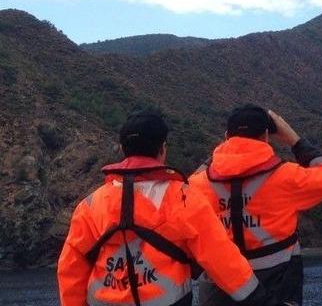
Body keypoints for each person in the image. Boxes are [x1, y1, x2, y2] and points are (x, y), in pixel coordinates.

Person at [57, 111, 277, 306]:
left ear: (123, 149)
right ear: (163, 149)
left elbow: (71, 269)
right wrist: (260, 299)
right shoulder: (183, 198)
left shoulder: (90, 205)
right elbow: (222, 259)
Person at [189, 104, 322, 306]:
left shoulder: (197, 185)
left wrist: (226, 152)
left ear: (227, 136)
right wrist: (295, 141)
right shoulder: (286, 177)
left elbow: (186, 187)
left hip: (219, 291)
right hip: (277, 288)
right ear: (266, 136)